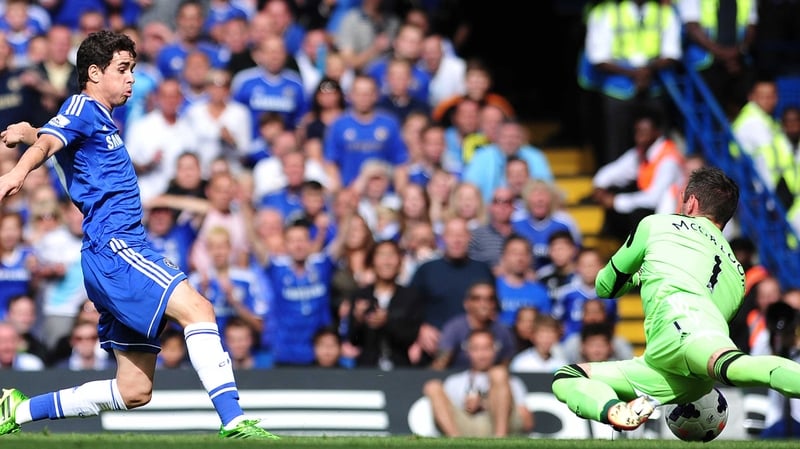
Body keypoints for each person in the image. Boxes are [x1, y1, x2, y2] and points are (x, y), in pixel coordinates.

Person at [0, 31, 277, 439]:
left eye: (133, 69)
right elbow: (49, 144)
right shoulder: (82, 105)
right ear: (94, 73)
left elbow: (60, 141)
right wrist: (17, 171)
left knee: (134, 391)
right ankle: (235, 420)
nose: (131, 78)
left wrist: (29, 132)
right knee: (199, 310)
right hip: (117, 246)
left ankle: (18, 410)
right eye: (123, 69)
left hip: (110, 253)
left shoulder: (92, 119)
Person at [551, 167, 800, 432]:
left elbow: (604, 287)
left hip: (672, 344)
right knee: (734, 366)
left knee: (566, 378)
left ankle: (611, 409)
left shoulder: (657, 224)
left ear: (691, 201)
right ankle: (621, 409)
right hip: (688, 367)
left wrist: (635, 278)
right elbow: (707, 311)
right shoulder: (739, 275)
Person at [422, 329, 534, 437]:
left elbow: (527, 423)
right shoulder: (454, 381)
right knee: (433, 386)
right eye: (476, 349)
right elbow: (447, 413)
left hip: (500, 426)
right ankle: (456, 443)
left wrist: (485, 404)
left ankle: (500, 439)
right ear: (468, 351)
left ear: (495, 350)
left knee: (498, 373)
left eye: (486, 348)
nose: (481, 354)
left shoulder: (511, 381)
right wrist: (468, 407)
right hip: (466, 427)